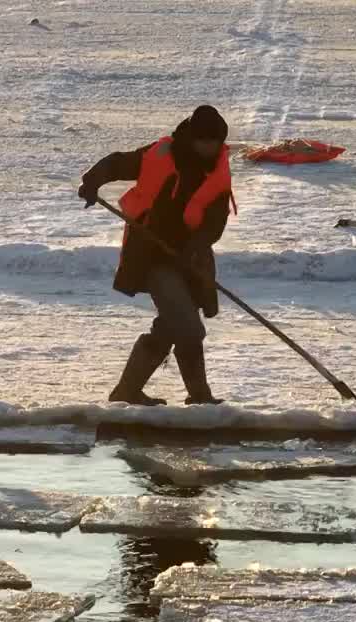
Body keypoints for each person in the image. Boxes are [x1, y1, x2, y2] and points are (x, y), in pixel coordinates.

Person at [78, 106, 236, 406]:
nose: (208, 147)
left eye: (214, 142)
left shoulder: (218, 172)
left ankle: (127, 392)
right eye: (202, 140)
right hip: (152, 255)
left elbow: (216, 223)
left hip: (190, 260)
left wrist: (192, 248)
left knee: (170, 325)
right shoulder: (161, 154)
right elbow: (118, 164)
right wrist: (92, 181)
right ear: (192, 138)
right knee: (189, 328)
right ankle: (200, 398)